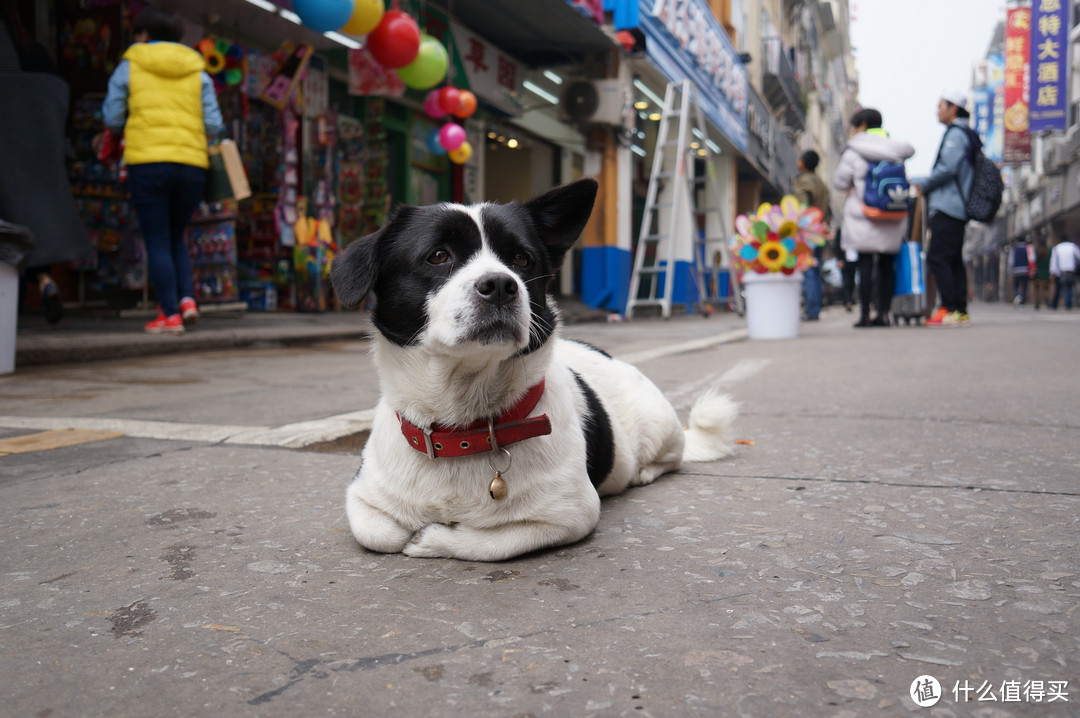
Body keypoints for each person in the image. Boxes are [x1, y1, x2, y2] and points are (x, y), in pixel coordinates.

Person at [102, 7, 224, 334]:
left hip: (147, 161)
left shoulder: (131, 64)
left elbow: (112, 117)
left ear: (143, 34)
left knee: (157, 239)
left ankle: (169, 315)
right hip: (192, 165)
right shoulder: (197, 70)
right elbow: (214, 123)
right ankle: (186, 300)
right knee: (176, 237)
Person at [1, 5, 93, 324]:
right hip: (37, 158)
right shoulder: (32, 50)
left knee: (5, 234)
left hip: (5, 156)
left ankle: (7, 322)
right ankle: (45, 281)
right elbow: (58, 99)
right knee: (28, 229)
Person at [832, 108, 914, 328]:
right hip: (892, 214)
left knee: (865, 266)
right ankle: (884, 314)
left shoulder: (854, 151)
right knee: (887, 266)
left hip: (864, 216)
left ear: (863, 125)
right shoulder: (894, 149)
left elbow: (840, 182)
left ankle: (865, 315)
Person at [914, 91, 977, 327]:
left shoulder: (956, 134)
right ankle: (959, 309)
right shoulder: (963, 133)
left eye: (940, 105)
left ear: (953, 108)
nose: (937, 110)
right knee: (952, 259)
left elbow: (948, 167)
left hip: (949, 206)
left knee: (938, 257)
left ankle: (948, 307)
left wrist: (923, 183)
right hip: (957, 207)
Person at [793, 150, 832, 321]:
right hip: (819, 230)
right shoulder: (821, 184)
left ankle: (811, 310)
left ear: (802, 163)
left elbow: (802, 206)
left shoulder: (804, 181)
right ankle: (814, 308)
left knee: (807, 269)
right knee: (815, 269)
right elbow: (827, 209)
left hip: (807, 231)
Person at [1049, 236, 1080, 310]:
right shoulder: (1073, 246)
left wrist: (1053, 272)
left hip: (1062, 272)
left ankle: (1068, 304)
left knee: (1065, 288)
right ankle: (1069, 304)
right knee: (1071, 287)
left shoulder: (1056, 248)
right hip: (1071, 271)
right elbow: (1078, 257)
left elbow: (1053, 262)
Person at [1009, 236, 1031, 306]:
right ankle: (1023, 302)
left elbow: (1011, 261)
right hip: (1025, 269)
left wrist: (1010, 270)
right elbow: (1031, 259)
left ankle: (1017, 295)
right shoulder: (1027, 248)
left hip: (1016, 270)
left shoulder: (1014, 249)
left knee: (1016, 285)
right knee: (1024, 286)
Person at [1032, 239, 1052, 310]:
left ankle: (1037, 303)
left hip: (1038, 273)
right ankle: (1047, 300)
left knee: (1037, 288)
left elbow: (1033, 261)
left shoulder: (1036, 250)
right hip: (1046, 272)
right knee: (1046, 288)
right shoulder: (1049, 251)